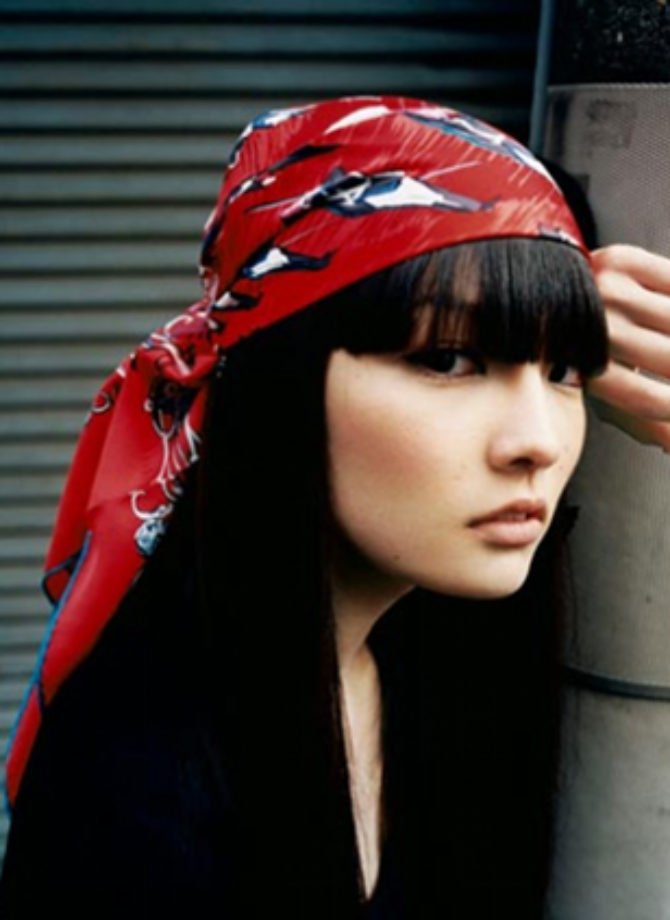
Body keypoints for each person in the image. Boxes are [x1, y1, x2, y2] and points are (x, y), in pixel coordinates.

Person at [0, 94, 667, 920]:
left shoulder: (434, 649)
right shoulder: (137, 794)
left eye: (564, 371)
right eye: (449, 359)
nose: (537, 442)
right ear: (282, 382)